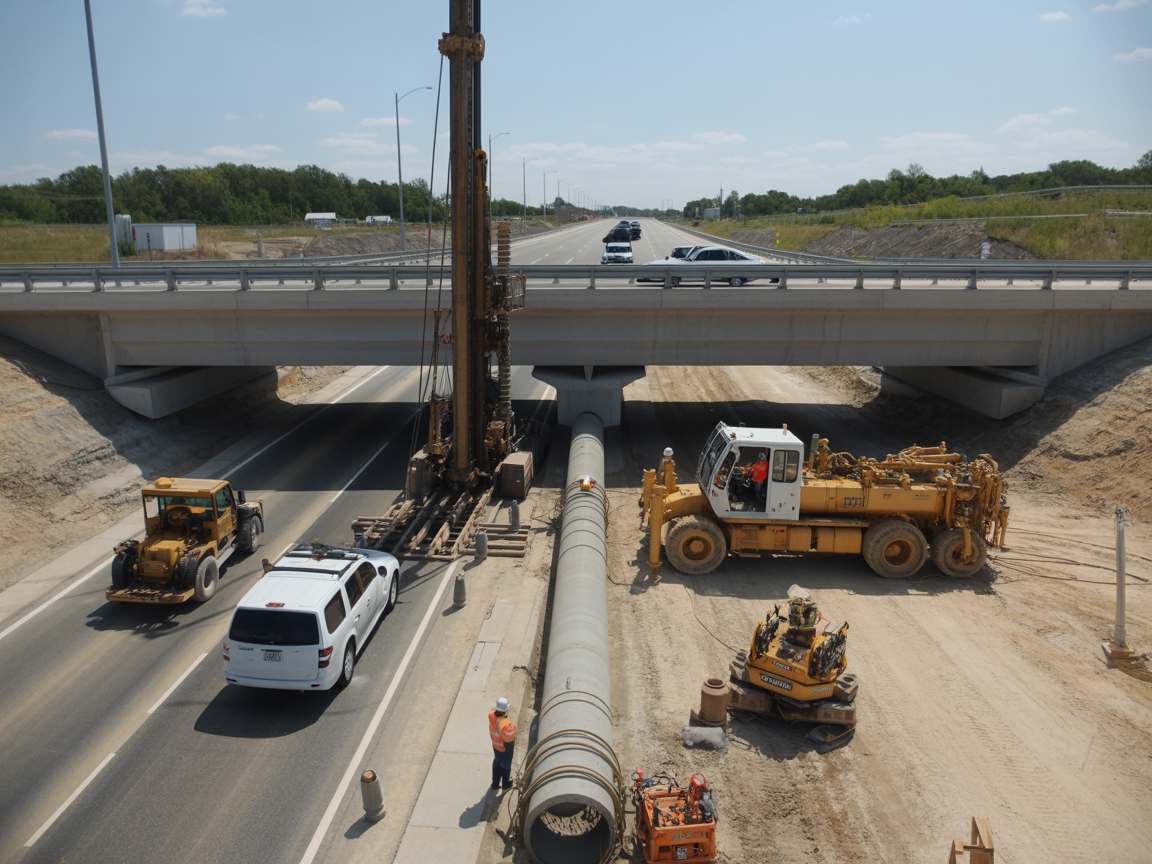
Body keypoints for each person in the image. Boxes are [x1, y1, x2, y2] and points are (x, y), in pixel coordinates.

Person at [489, 696, 516, 790]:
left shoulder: (492, 716)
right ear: (505, 710)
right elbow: (509, 738)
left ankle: (495, 784)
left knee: (497, 764)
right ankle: (505, 784)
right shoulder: (504, 724)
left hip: (496, 746)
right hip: (504, 748)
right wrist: (511, 727)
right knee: (506, 766)